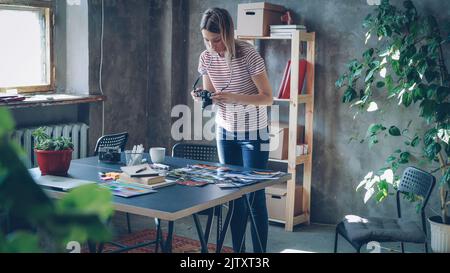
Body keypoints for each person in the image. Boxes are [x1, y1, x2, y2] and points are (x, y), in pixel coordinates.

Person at [191, 7, 273, 253]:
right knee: (234, 197)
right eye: (206, 39)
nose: (212, 46)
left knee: (254, 197)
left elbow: (267, 98)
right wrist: (202, 97)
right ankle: (238, 254)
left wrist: (232, 96)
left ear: (227, 33)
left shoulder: (248, 53)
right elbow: (212, 96)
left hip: (254, 132)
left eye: (216, 40)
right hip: (225, 132)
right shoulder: (206, 58)